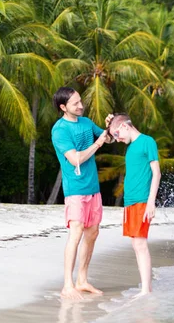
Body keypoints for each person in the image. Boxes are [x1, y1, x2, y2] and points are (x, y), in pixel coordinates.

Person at [51, 87, 110, 300]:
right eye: (76, 103)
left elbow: (107, 139)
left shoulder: (85, 122)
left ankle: (82, 280)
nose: (81, 105)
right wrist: (98, 143)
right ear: (63, 107)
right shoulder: (60, 130)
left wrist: (109, 127)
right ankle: (68, 285)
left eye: (80, 101)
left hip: (93, 188)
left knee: (92, 233)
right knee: (76, 232)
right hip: (75, 189)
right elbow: (76, 159)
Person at [107, 113, 161, 297]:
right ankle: (146, 287)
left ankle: (146, 289)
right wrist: (109, 124)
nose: (118, 139)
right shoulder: (130, 148)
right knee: (136, 245)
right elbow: (108, 134)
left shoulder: (147, 141)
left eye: (117, 135)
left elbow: (157, 173)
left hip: (142, 201)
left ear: (125, 126)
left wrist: (151, 202)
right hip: (129, 202)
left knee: (140, 244)